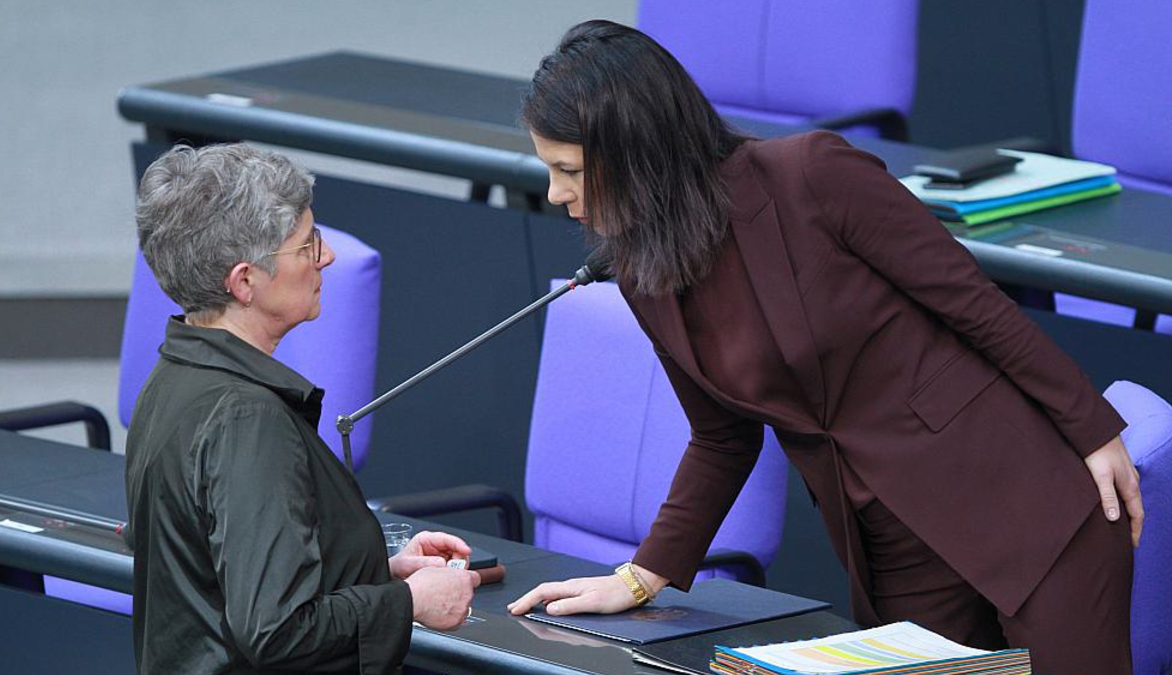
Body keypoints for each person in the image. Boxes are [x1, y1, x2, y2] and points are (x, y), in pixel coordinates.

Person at [507, 20, 1143, 674]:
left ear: (638, 148)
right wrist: (641, 575)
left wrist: (1094, 431)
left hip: (1021, 503)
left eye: (569, 170)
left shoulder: (810, 176)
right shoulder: (645, 271)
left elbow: (975, 305)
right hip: (892, 550)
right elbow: (723, 438)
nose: (558, 195)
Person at [125, 143, 480, 675]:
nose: (327, 257)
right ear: (245, 281)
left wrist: (376, 571)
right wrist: (410, 603)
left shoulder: (172, 377)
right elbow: (277, 630)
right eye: (308, 244)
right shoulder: (246, 418)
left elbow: (217, 573)